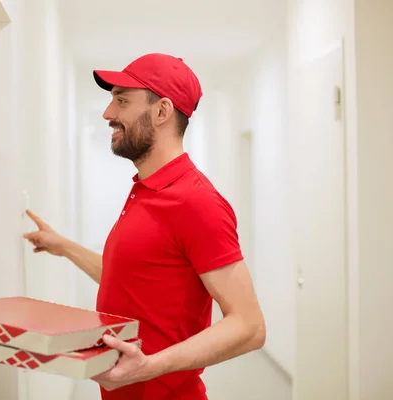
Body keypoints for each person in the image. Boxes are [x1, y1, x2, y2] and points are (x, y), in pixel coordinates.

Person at [23, 53, 265, 400]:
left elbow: (249, 325)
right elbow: (134, 281)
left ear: (162, 112)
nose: (108, 113)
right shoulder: (145, 190)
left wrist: (148, 367)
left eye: (121, 100)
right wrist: (64, 246)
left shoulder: (196, 202)